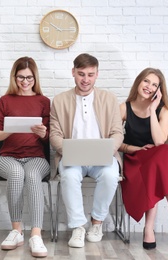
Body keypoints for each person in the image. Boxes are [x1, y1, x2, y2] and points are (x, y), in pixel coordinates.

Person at [50, 53, 123, 248]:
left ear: (97, 74)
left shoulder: (109, 99)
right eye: (81, 74)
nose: (85, 79)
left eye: (90, 75)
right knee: (69, 177)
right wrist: (66, 150)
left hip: (103, 158)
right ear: (73, 72)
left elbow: (117, 132)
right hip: (72, 157)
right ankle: (78, 227)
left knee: (110, 176)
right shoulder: (59, 100)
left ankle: (97, 223)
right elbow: (55, 135)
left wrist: (109, 150)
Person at [119, 67, 168, 250]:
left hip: (157, 163)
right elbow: (114, 142)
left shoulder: (163, 110)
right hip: (135, 160)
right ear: (138, 81)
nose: (149, 87)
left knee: (164, 151)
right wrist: (137, 148)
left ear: (159, 90)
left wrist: (152, 110)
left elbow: (160, 141)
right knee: (164, 154)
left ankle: (149, 228)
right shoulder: (124, 108)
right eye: (146, 81)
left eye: (154, 85)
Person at [0, 56, 50, 258]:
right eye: (20, 78)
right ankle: (16, 231)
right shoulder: (5, 100)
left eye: (29, 78)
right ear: (14, 77)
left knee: (32, 176)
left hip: (36, 157)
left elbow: (49, 137)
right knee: (17, 173)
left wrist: (43, 134)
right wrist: (10, 128)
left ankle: (36, 234)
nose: (25, 82)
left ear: (35, 78)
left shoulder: (43, 101)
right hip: (8, 157)